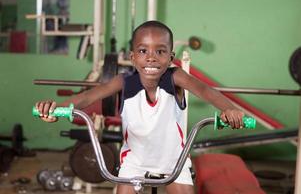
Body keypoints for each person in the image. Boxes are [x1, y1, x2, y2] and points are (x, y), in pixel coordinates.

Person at [35, 20, 245, 194]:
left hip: (174, 161)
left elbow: (206, 90)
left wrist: (230, 110)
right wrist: (56, 108)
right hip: (134, 161)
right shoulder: (123, 81)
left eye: (160, 51)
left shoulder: (176, 78)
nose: (151, 57)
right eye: (143, 50)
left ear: (171, 58)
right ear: (133, 57)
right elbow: (88, 96)